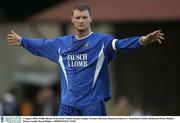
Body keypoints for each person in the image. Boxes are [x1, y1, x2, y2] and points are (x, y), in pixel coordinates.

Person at [7, 3, 164, 116]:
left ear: (90, 19)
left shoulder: (102, 41)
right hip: (67, 106)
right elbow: (40, 45)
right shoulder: (61, 44)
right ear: (72, 20)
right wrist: (22, 41)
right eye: (78, 17)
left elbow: (122, 44)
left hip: (93, 105)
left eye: (84, 17)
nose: (81, 20)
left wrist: (143, 40)